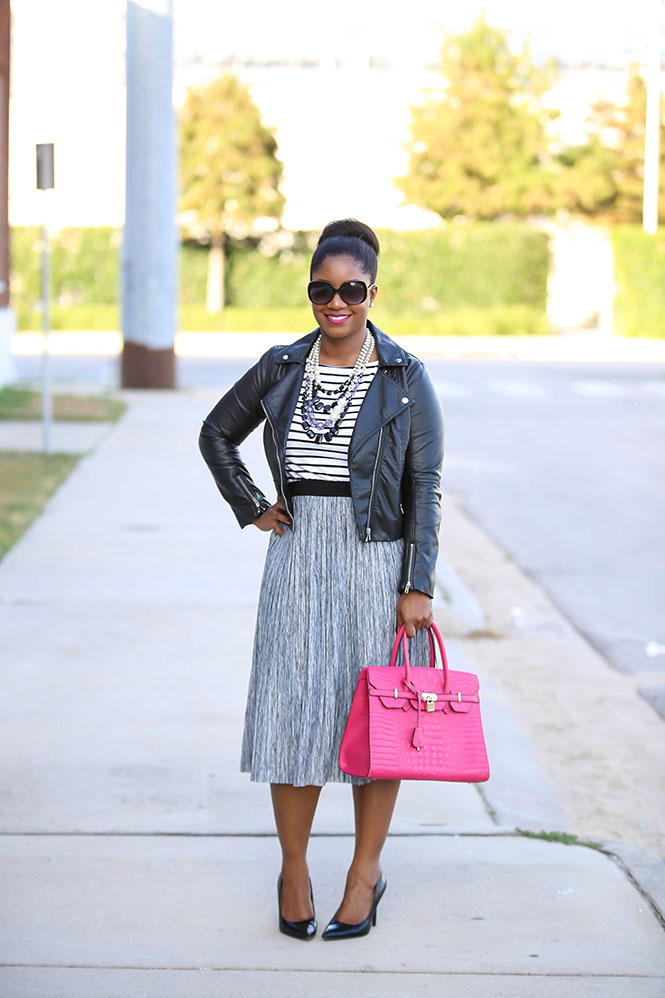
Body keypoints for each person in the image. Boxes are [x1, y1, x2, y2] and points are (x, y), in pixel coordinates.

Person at [199, 218, 444, 941]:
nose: (336, 302)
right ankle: (295, 870)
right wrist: (252, 505)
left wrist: (417, 583)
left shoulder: (404, 376)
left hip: (375, 561)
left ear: (373, 293)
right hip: (297, 554)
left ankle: (365, 875)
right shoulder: (280, 366)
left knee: (377, 722)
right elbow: (216, 433)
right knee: (292, 713)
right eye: (322, 290)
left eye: (351, 290)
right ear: (310, 293)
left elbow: (425, 486)